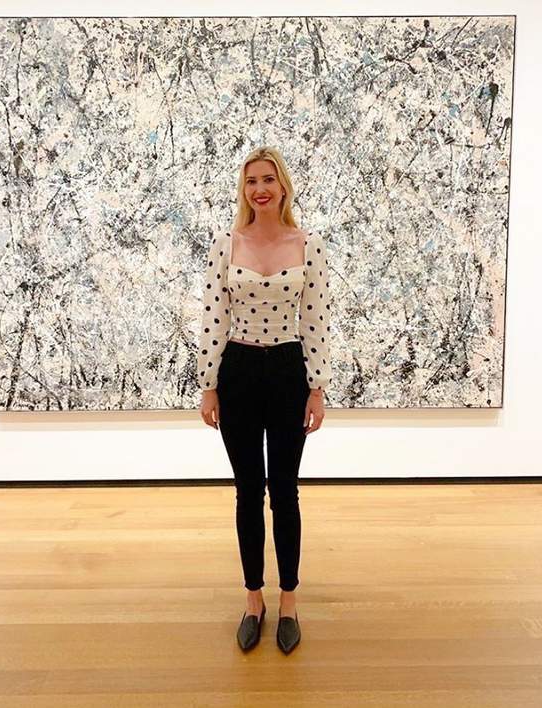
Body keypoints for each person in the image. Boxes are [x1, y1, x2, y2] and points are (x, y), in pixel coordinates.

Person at [197, 146, 331, 654]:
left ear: (283, 186)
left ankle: (289, 600)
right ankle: (253, 599)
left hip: (287, 373)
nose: (260, 189)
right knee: (248, 491)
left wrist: (316, 388)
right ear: (244, 189)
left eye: (268, 179)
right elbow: (213, 318)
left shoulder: (308, 244)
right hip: (239, 371)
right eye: (251, 181)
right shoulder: (226, 244)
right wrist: (209, 384)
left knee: (286, 491)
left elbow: (315, 320)